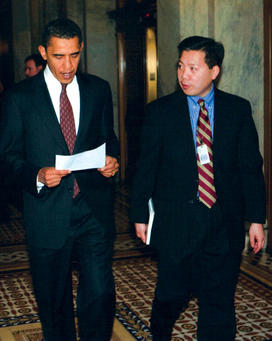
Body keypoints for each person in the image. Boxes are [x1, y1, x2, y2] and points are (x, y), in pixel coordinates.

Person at [130, 36, 266, 341]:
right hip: (177, 221)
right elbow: (146, 167)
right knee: (171, 294)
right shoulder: (160, 112)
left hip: (223, 221)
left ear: (214, 71)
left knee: (218, 302)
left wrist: (257, 218)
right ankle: (160, 333)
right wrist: (139, 213)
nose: (184, 75)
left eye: (193, 68)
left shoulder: (237, 109)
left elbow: (250, 168)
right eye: (180, 66)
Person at [0, 18, 119, 341]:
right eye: (58, 56)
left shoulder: (98, 89)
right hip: (47, 211)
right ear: (43, 52)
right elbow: (7, 158)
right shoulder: (19, 98)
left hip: (92, 208)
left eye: (75, 55)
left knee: (99, 292)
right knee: (54, 300)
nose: (68, 66)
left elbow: (109, 138)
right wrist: (36, 175)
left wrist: (112, 161)